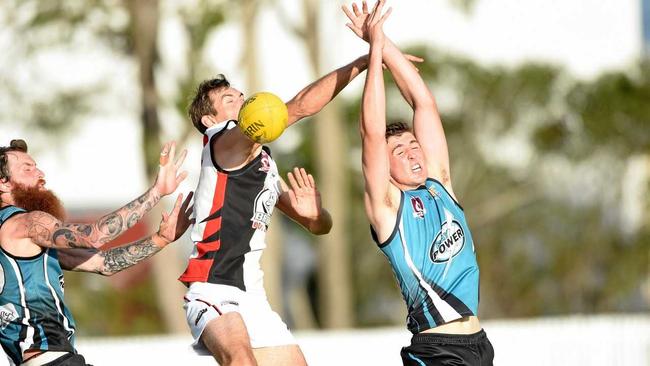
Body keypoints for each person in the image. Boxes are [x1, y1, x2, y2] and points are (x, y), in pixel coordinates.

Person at [180, 50, 374, 364]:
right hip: (213, 288)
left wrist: (316, 214)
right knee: (242, 361)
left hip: (252, 296)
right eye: (230, 99)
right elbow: (298, 107)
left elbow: (318, 227)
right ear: (209, 119)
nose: (241, 100)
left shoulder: (263, 161)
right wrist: (362, 62)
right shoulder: (219, 141)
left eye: (241, 95)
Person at [344, 1, 494, 364]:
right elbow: (372, 132)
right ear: (386, 163)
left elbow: (423, 104)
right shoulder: (387, 206)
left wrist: (382, 40)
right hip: (438, 350)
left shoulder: (440, 184)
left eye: (414, 145)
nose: (413, 153)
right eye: (400, 150)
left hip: (479, 346)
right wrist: (374, 50)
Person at [0, 139, 193, 366]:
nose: (40, 173)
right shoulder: (27, 222)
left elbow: (103, 263)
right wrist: (157, 192)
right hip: (52, 360)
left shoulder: (18, 237)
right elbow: (94, 235)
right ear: (3, 183)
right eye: (27, 168)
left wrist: (160, 239)